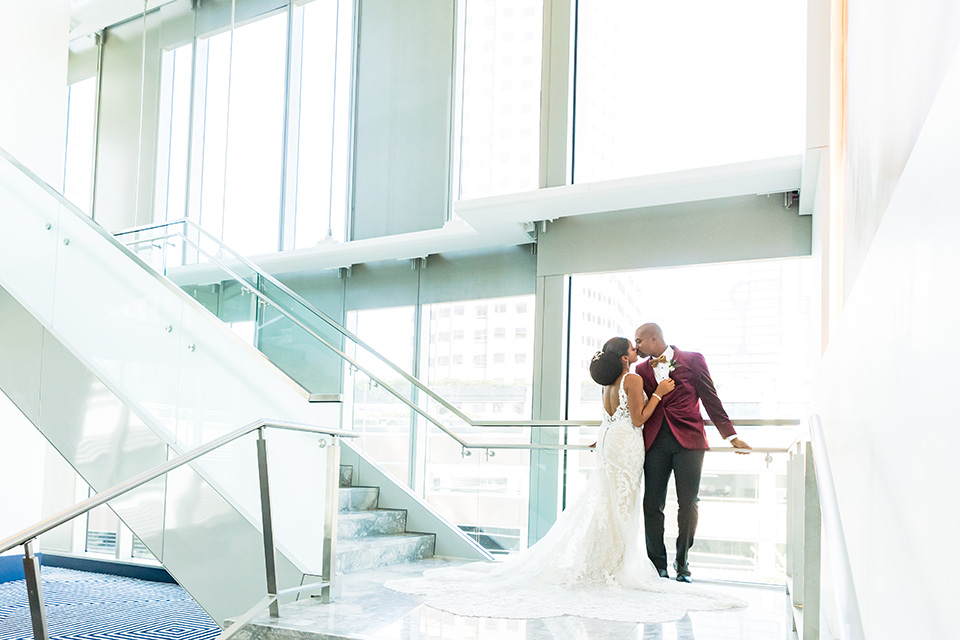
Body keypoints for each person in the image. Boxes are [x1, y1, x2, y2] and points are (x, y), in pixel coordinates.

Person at [385, 337, 747, 622]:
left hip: (614, 442)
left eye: (639, 343)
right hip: (627, 444)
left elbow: (619, 416)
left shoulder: (610, 382)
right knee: (622, 505)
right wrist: (659, 393)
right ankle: (617, 566)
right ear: (624, 356)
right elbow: (637, 419)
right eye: (632, 347)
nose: (637, 350)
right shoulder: (635, 378)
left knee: (610, 503)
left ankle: (613, 563)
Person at [634, 323, 752, 583]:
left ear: (655, 339)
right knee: (652, 503)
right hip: (654, 443)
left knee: (688, 504)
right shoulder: (641, 369)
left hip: (689, 440)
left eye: (639, 341)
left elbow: (710, 398)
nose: (636, 346)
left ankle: (682, 561)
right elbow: (637, 405)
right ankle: (657, 566)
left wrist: (730, 435)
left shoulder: (693, 359)